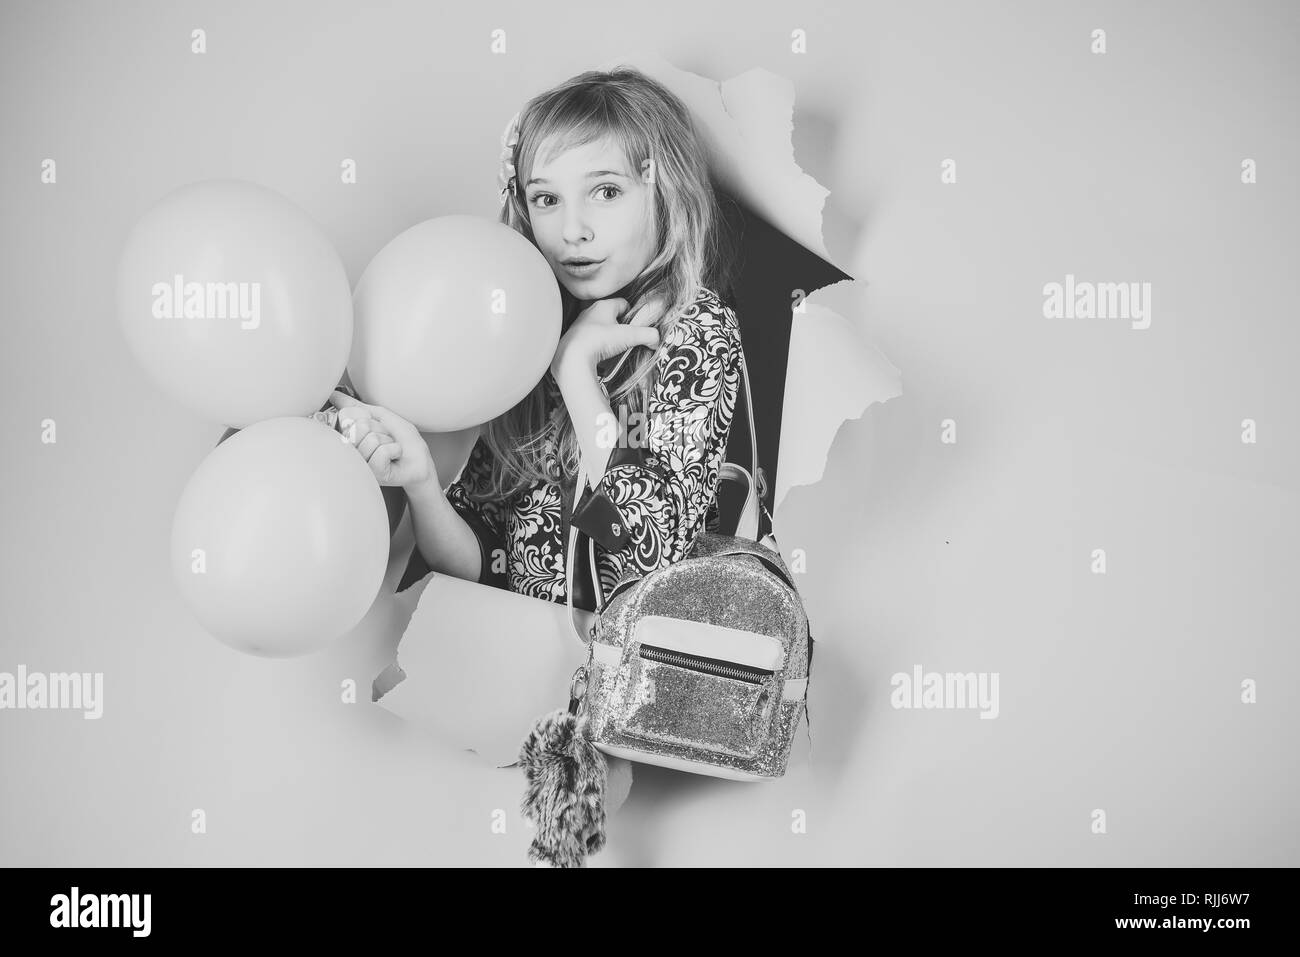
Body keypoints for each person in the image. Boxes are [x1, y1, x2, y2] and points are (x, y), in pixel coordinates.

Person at [330, 65, 744, 616]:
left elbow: (653, 547)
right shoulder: (526, 330)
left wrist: (575, 373)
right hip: (531, 682)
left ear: (664, 190)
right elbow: (484, 562)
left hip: (640, 688)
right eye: (546, 199)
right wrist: (423, 482)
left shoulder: (695, 329)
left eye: (605, 191)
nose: (573, 229)